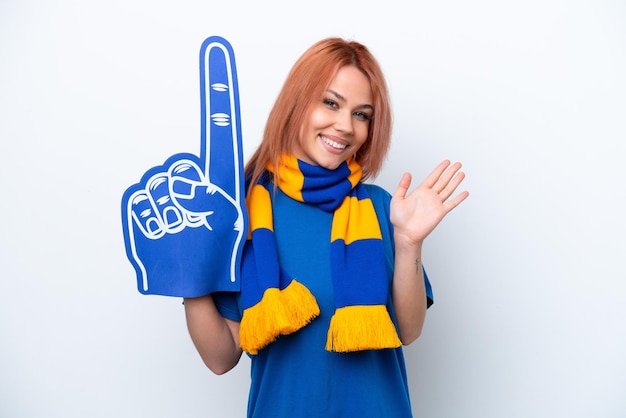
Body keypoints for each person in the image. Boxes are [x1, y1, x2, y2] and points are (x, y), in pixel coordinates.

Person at [183, 37, 469, 417]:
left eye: (362, 114)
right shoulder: (243, 212)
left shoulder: (382, 208)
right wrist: (187, 272)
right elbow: (222, 357)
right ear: (297, 102)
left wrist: (408, 243)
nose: (345, 126)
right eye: (331, 103)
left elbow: (407, 330)